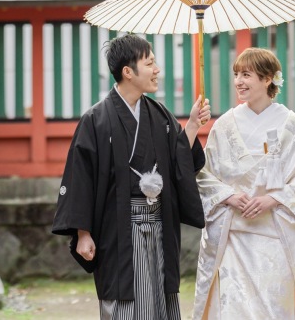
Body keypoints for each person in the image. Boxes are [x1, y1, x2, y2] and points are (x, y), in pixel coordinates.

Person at [52, 33, 211, 320]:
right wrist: (83, 233)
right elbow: (81, 177)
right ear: (128, 72)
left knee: (160, 299)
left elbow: (178, 162)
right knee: (124, 299)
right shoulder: (96, 120)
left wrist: (191, 128)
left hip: (159, 224)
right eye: (150, 63)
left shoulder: (160, 115)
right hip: (118, 228)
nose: (157, 70)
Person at [192, 47, 295, 320]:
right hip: (234, 237)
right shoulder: (225, 125)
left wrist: (272, 199)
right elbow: (204, 173)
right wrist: (228, 195)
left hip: (276, 235)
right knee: (234, 309)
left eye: (247, 74)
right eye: (236, 74)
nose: (239, 81)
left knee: (275, 310)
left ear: (268, 79)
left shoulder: (292, 125)